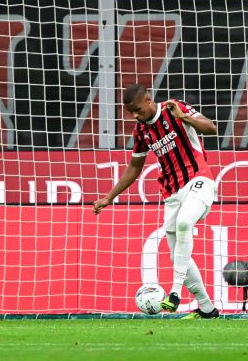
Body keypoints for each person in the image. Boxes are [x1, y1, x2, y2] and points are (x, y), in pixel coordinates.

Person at [93, 84, 219, 320]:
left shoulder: (174, 109)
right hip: (171, 193)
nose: (136, 116)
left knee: (184, 224)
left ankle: (174, 293)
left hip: (199, 180)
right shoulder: (141, 130)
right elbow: (134, 167)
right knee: (177, 255)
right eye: (131, 113)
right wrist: (109, 197)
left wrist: (184, 118)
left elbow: (211, 128)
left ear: (149, 100)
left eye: (138, 110)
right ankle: (207, 309)